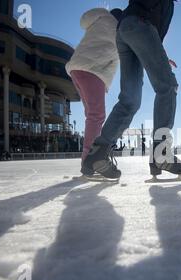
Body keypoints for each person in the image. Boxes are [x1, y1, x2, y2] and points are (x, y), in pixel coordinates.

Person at [82, 0, 181, 181]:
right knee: (167, 86)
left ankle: (97, 154)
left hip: (127, 30)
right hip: (139, 25)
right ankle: (162, 154)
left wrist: (160, 54)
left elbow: (152, 38)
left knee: (130, 100)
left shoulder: (167, 5)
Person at [65, 7, 122, 165]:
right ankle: (90, 159)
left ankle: (88, 158)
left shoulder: (100, 18)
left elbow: (83, 20)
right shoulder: (120, 32)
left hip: (76, 69)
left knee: (91, 115)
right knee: (97, 116)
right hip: (93, 71)